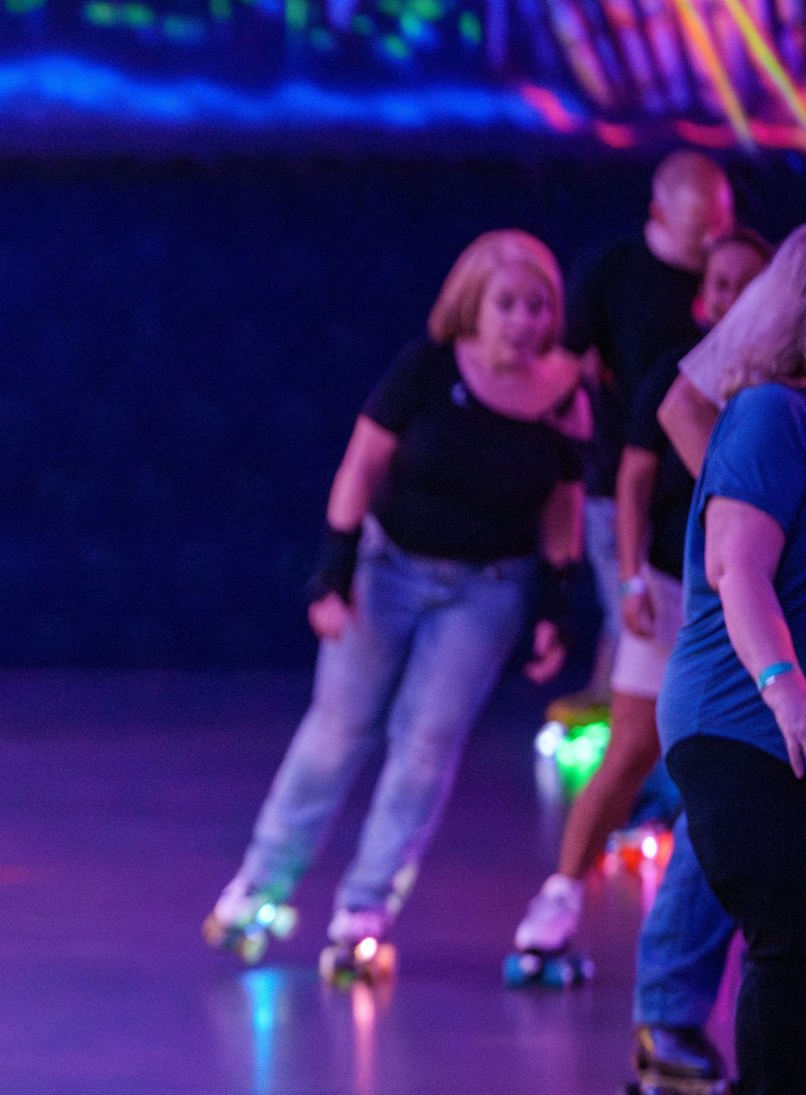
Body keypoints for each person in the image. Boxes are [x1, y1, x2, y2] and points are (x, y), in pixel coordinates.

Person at [206, 231, 582, 971]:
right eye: (507, 303)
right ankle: (260, 886)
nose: (523, 320)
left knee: (424, 747)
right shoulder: (430, 366)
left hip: (487, 588)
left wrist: (555, 607)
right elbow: (361, 464)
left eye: (538, 306)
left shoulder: (563, 394)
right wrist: (333, 576)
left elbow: (563, 505)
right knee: (339, 728)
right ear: (474, 305)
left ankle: (364, 910)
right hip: (391, 568)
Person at [509, 229, 769, 978]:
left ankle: (736, 939)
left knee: (737, 771)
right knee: (629, 749)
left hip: (751, 597)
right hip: (667, 584)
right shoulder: (676, 376)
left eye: (747, 283)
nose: (730, 297)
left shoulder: (782, 385)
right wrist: (627, 580)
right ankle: (559, 899)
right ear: (701, 295)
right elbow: (630, 482)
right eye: (718, 283)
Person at [655, 312, 806, 1095]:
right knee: (791, 929)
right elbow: (735, 567)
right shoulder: (769, 414)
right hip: (739, 716)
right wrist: (790, 696)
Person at [561, 151, 733, 706]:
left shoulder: (729, 277)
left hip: (703, 492)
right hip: (625, 480)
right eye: (695, 233)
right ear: (659, 213)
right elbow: (564, 367)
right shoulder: (614, 270)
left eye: (719, 228)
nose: (709, 245)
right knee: (640, 632)